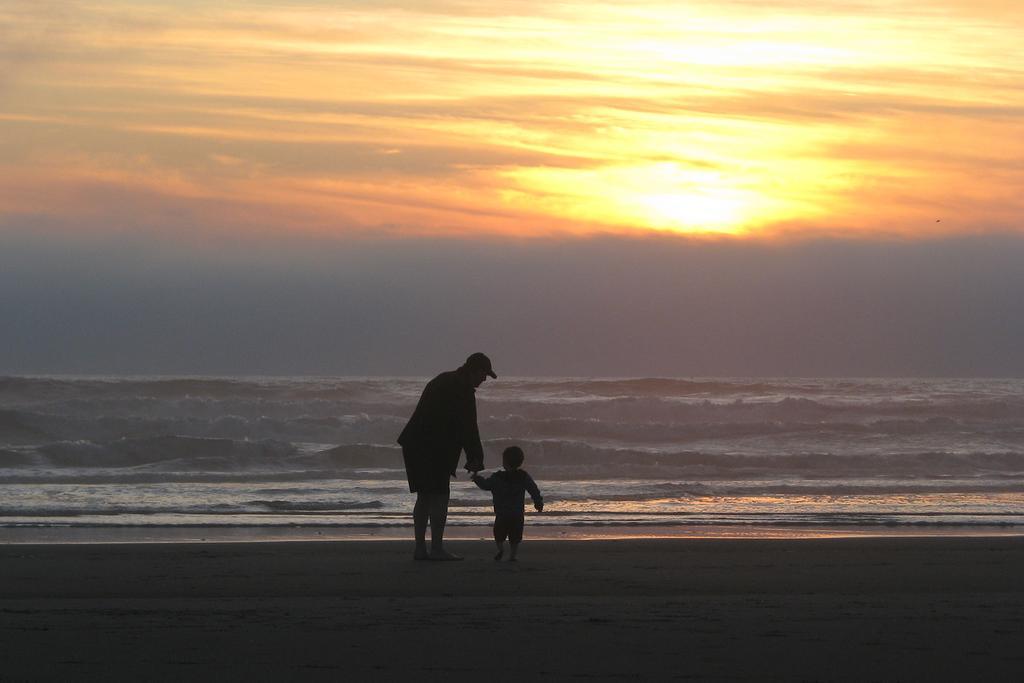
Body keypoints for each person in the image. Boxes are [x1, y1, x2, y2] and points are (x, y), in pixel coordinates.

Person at [398, 352, 496, 561]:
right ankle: (436, 548)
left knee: (424, 496)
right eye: (484, 374)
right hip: (433, 447)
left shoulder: (442, 379)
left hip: (414, 443)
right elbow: (469, 427)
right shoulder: (463, 390)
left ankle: (420, 549)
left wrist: (473, 456)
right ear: (474, 370)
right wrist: (476, 458)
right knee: (440, 497)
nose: (484, 379)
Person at [471, 445, 543, 562]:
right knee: (515, 536)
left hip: (502, 513)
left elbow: (485, 485)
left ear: (504, 462)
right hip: (517, 513)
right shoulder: (523, 476)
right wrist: (538, 501)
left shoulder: (497, 477)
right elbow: (533, 489)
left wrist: (476, 477)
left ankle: (500, 549)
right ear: (520, 461)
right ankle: (513, 555)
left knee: (499, 534)